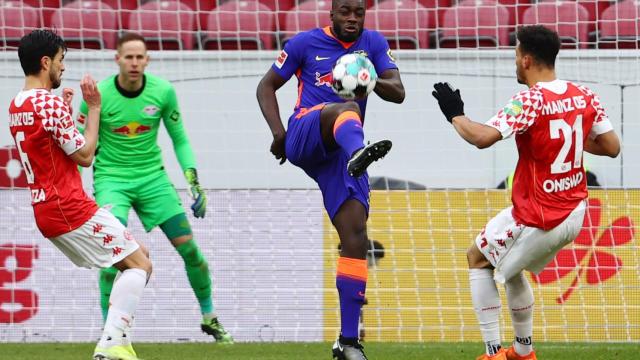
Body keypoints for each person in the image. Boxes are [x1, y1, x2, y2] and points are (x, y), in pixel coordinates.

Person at [432, 25, 620, 360]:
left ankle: (492, 353)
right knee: (510, 266)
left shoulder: (530, 100)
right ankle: (522, 353)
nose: (515, 61)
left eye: (516, 55)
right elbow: (611, 147)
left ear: (527, 59)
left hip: (540, 215)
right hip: (575, 210)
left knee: (478, 258)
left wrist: (455, 114)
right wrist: (570, 136)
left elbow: (481, 138)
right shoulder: (585, 95)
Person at [256, 1, 405, 358]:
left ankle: (348, 342)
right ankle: (358, 150)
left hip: (338, 157)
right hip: (307, 132)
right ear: (332, 14)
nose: (351, 18)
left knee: (355, 238)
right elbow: (265, 86)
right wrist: (278, 133)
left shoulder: (372, 44)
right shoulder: (303, 44)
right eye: (344, 12)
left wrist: (370, 78)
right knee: (347, 108)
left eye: (358, 12)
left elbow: (398, 92)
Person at [76, 32, 232, 343]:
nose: (134, 62)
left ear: (147, 60)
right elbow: (79, 145)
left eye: (139, 57)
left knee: (191, 250)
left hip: (153, 181)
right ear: (117, 59)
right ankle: (109, 332)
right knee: (112, 258)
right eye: (128, 57)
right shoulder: (98, 96)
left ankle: (210, 317)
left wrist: (193, 181)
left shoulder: (163, 92)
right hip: (111, 181)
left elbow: (180, 139)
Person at [9, 29, 152, 360]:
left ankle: (116, 341)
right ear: (46, 62)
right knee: (140, 265)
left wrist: (67, 114)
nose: (63, 68)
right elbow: (85, 155)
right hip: (69, 205)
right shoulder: (48, 104)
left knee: (136, 255)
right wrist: (94, 108)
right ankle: (111, 345)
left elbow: (48, 146)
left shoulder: (18, 103)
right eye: (61, 61)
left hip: (46, 208)